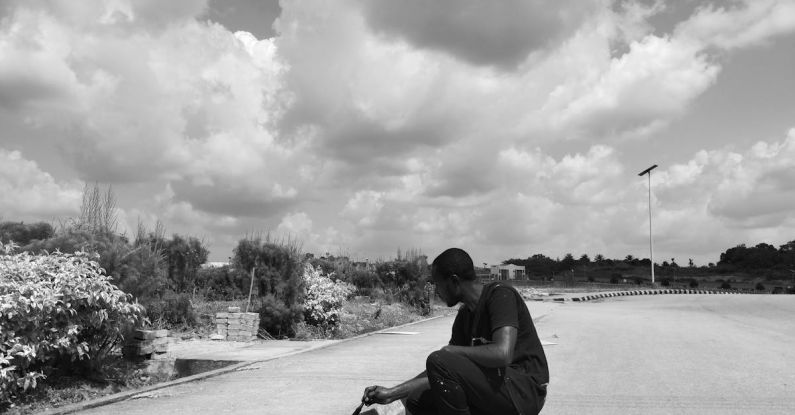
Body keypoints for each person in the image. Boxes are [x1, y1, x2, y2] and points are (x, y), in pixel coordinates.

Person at [362, 248, 549, 415]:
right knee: (418, 400)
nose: (437, 292)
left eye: (438, 284)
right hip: (496, 388)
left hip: (524, 391)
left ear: (453, 281)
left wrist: (452, 351)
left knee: (440, 359)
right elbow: (444, 372)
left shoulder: (500, 295)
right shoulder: (464, 316)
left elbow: (503, 353)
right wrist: (391, 393)